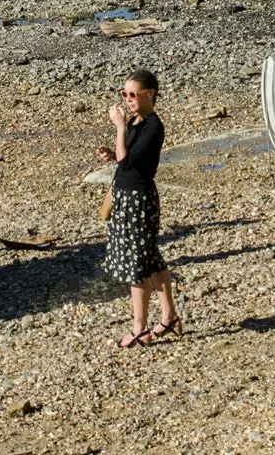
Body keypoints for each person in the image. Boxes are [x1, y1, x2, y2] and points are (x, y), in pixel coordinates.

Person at [94, 68, 181, 348]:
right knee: (151, 259)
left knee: (137, 265)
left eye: (133, 94)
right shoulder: (135, 121)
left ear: (150, 94)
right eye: (124, 94)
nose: (128, 99)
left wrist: (119, 128)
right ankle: (169, 318)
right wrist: (113, 152)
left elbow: (129, 163)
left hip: (139, 201)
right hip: (125, 196)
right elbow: (124, 159)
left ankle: (139, 328)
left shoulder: (153, 126)